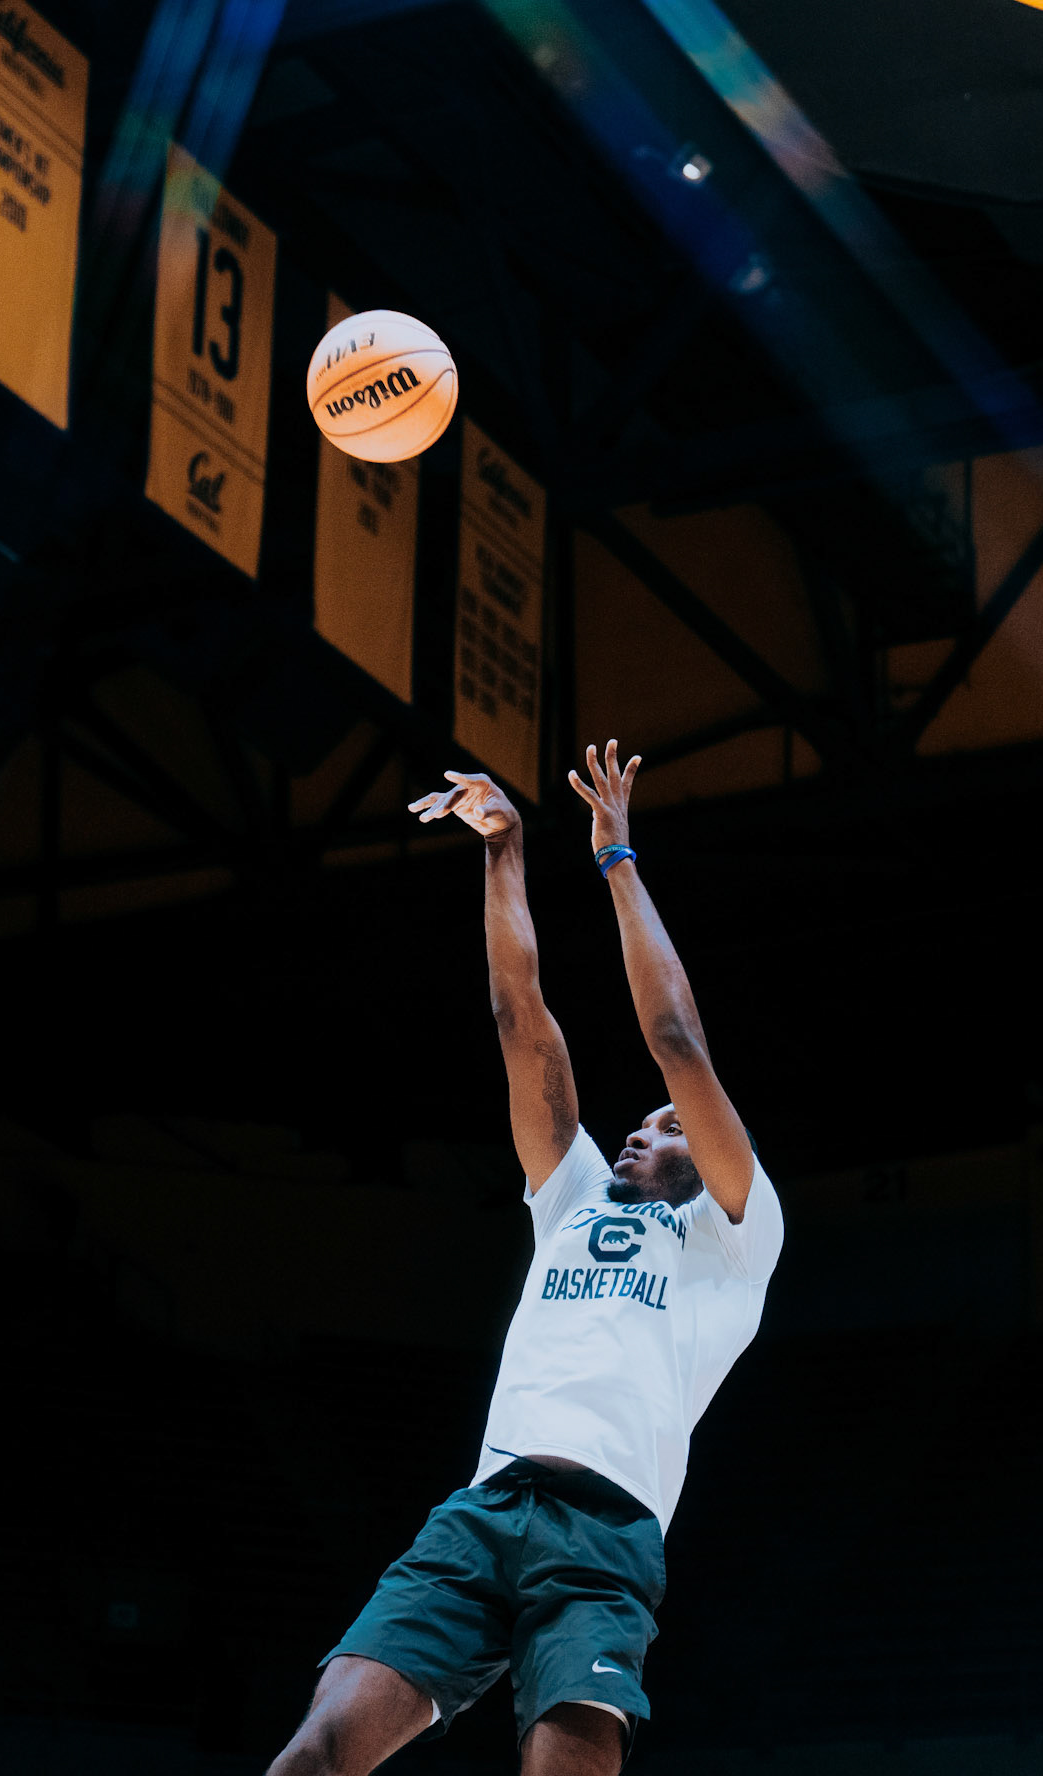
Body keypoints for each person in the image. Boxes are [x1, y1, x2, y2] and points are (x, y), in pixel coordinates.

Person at [267, 741, 784, 1776]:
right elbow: (520, 1016)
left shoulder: (736, 1231)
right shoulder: (574, 1194)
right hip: (486, 1507)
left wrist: (615, 858)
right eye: (642, 1119)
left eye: (669, 1124)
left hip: (604, 1535)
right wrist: (502, 850)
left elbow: (676, 1036)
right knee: (320, 1749)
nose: (640, 1127)